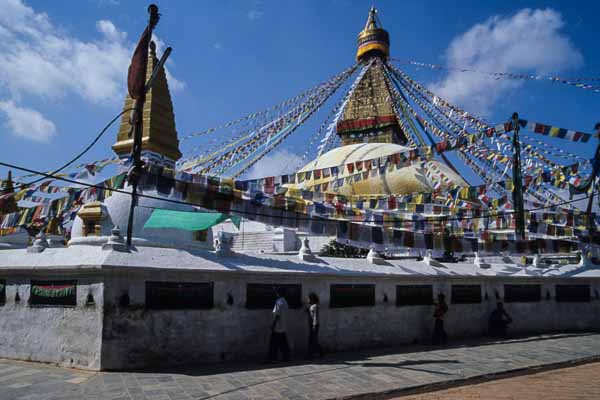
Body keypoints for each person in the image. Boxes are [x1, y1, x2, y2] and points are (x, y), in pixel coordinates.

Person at [266, 288, 291, 363]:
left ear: (278, 293)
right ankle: (286, 356)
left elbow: (277, 315)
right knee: (283, 342)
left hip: (277, 326)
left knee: (273, 343)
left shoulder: (278, 302)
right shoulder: (285, 302)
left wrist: (273, 324)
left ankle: (272, 358)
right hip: (283, 325)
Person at [306, 292, 324, 359]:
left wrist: (314, 325)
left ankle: (312, 354)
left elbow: (316, 316)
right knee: (313, 340)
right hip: (312, 325)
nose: (307, 300)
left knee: (313, 340)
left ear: (312, 299)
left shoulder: (315, 306)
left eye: (308, 299)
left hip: (314, 325)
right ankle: (319, 352)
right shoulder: (312, 306)